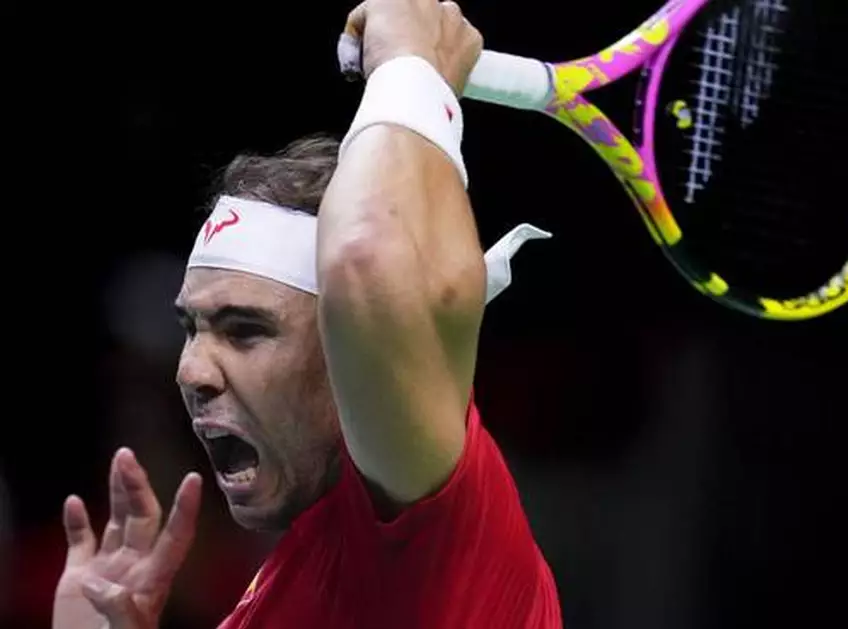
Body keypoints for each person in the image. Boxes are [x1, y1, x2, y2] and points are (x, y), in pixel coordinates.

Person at [51, 1, 562, 627]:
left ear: (346, 349)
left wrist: (410, 68)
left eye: (245, 330)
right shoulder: (267, 599)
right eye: (192, 327)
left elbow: (366, 261)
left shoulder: (435, 530)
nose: (190, 371)